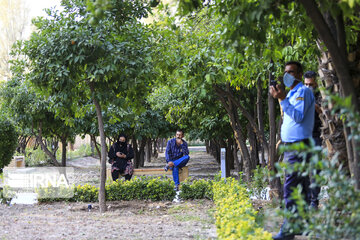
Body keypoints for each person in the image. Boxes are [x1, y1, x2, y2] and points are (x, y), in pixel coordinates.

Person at [270, 61, 315, 240]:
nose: (288, 75)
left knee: (290, 187)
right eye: (286, 72)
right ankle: (302, 226)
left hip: (298, 146)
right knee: (301, 189)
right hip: (294, 145)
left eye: (292, 72)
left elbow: (298, 116)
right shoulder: (292, 93)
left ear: (299, 73)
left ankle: (288, 231)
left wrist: (281, 99)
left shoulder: (303, 92)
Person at [304, 70, 322, 209]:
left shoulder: (321, 94)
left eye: (310, 84)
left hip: (316, 135)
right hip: (303, 136)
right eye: (306, 84)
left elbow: (324, 112)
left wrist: (314, 104)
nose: (308, 87)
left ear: (315, 83)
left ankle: (314, 202)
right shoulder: (301, 94)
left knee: (315, 170)